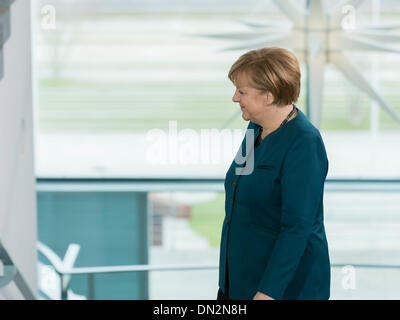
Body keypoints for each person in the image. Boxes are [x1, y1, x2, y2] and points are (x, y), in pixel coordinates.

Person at [217, 47, 330, 300]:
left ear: (268, 96)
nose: (235, 98)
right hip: (238, 281)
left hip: (282, 291)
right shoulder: (255, 128)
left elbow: (296, 228)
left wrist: (268, 293)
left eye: (242, 91)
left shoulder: (304, 143)